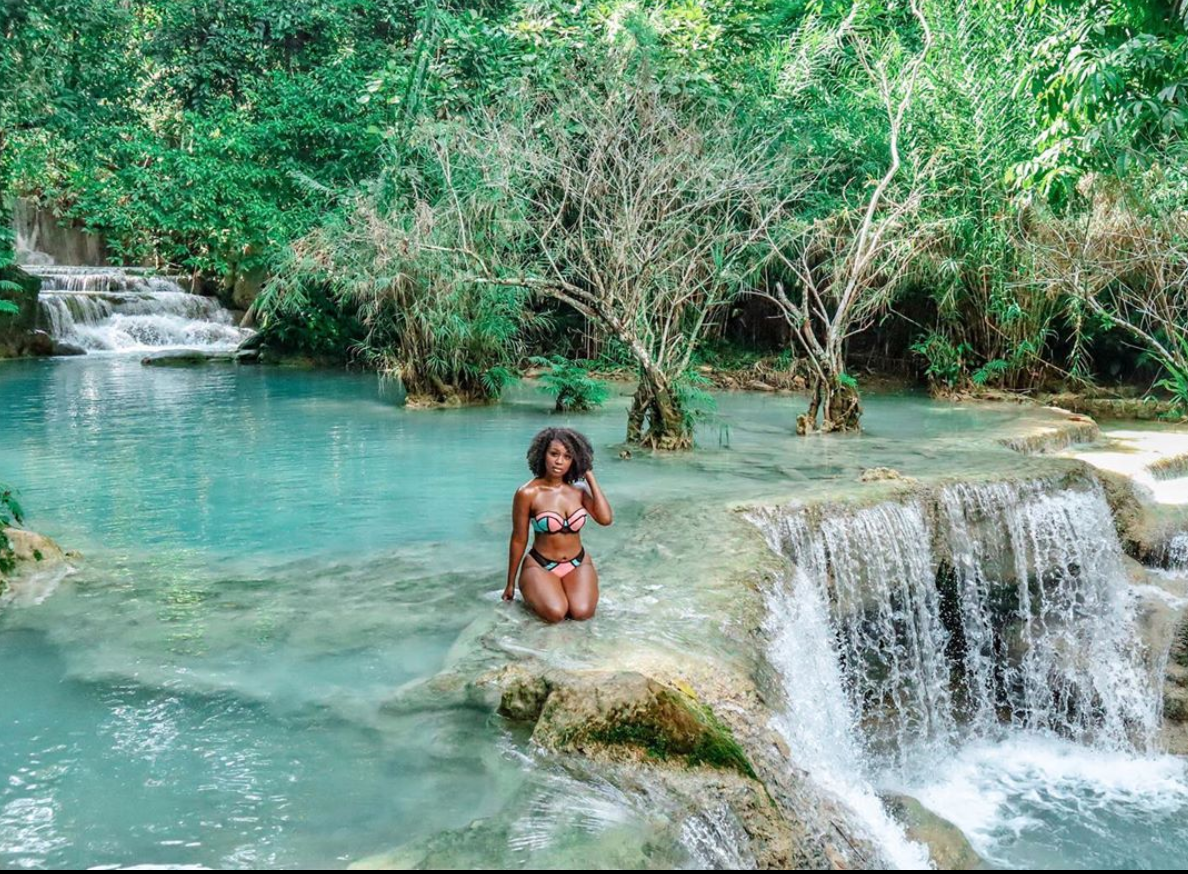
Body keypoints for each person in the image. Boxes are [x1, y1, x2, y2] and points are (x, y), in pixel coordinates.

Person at [504, 427, 613, 622]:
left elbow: (605, 519)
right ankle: (533, 585)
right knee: (555, 614)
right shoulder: (527, 493)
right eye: (554, 454)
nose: (559, 461)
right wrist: (510, 584)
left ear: (575, 460)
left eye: (567, 456)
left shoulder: (579, 491)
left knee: (582, 613)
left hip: (578, 562)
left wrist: (589, 476)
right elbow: (519, 539)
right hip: (540, 564)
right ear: (543, 454)